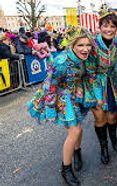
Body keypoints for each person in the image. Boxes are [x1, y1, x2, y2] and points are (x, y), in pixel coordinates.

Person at [27, 27, 100, 186]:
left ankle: (77, 152)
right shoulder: (60, 62)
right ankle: (65, 169)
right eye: (80, 45)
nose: (85, 49)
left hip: (76, 94)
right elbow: (49, 85)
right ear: (72, 45)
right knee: (75, 130)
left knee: (78, 126)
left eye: (88, 45)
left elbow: (90, 75)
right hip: (61, 96)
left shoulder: (86, 58)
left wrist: (97, 96)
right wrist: (51, 107)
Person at [91, 9, 117, 165]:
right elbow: (88, 70)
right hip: (95, 82)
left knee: (112, 117)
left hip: (113, 83)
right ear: (100, 27)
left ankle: (114, 137)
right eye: (105, 26)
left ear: (116, 28)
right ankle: (104, 147)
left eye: (112, 26)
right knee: (99, 117)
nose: (109, 29)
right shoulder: (92, 44)